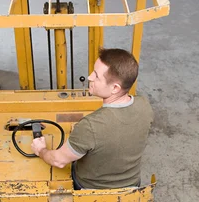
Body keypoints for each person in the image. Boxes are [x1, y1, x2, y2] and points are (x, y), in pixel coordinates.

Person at [31, 48, 154, 189]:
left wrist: (41, 150)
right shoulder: (144, 105)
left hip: (91, 189)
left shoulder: (90, 126)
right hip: (132, 184)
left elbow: (58, 161)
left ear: (115, 88)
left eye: (96, 76)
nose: (89, 77)